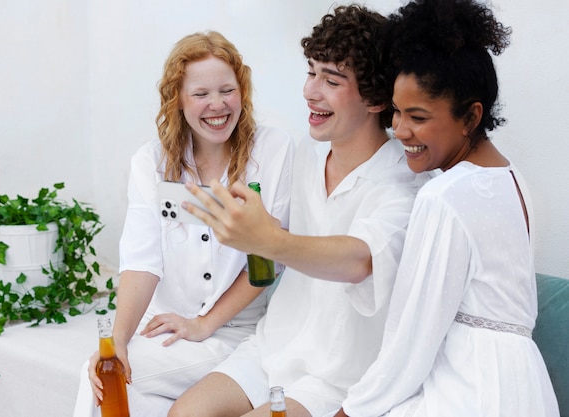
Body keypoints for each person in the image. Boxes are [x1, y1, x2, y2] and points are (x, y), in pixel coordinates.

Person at [169, 5, 429, 417]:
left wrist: (270, 239)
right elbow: (282, 240)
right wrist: (252, 226)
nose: (311, 91)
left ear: (377, 98)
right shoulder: (307, 153)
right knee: (183, 414)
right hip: (273, 345)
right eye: (311, 72)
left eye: (332, 79)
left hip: (338, 375)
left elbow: (361, 259)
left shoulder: (405, 182)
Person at [325, 0, 560, 416]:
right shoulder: (511, 181)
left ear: (470, 116)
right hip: (524, 387)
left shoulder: (445, 195)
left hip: (469, 388)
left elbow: (412, 339)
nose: (399, 130)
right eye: (396, 112)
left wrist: (351, 410)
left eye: (417, 116)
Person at [72, 31, 294, 417]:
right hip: (167, 331)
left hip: (234, 333)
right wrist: (119, 341)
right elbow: (141, 262)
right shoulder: (151, 162)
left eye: (227, 90)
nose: (217, 105)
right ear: (177, 100)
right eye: (200, 94)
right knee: (103, 378)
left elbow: (269, 260)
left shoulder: (272, 150)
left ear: (243, 91)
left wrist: (204, 324)